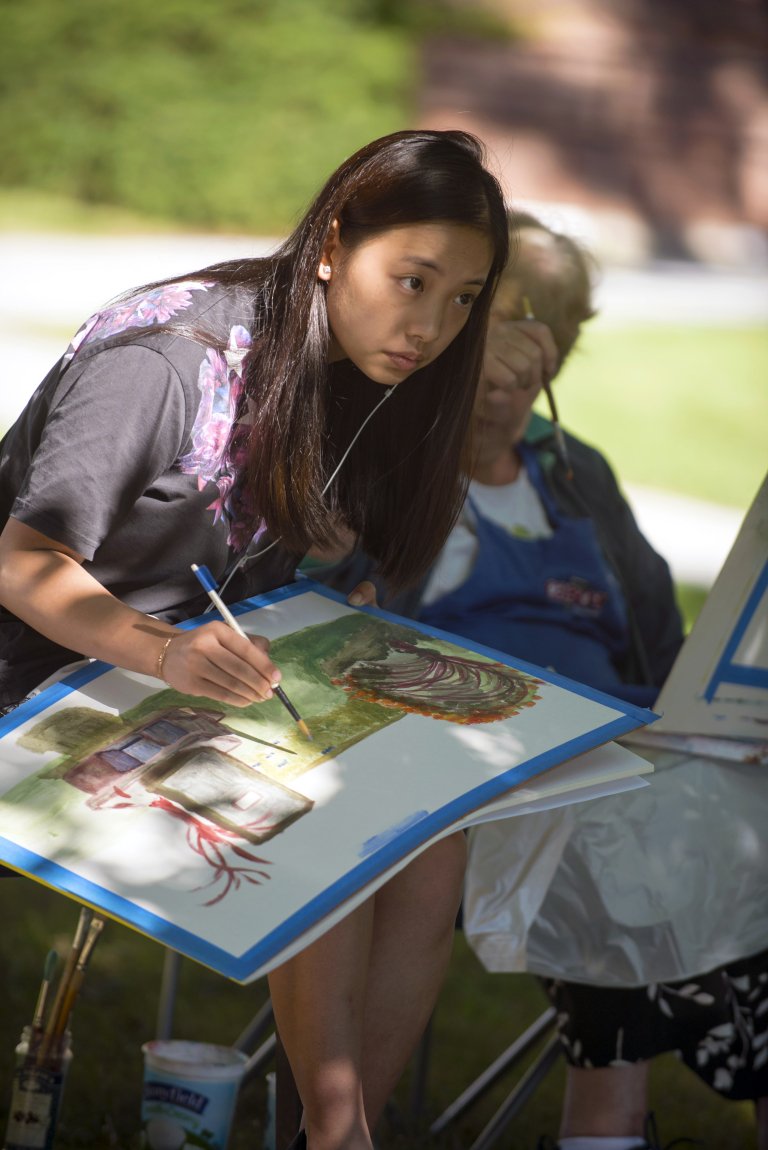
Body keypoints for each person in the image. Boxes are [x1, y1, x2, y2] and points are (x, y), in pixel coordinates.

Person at [0, 129, 511, 1150]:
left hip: (171, 679)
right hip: (42, 683)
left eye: (462, 299)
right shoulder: (166, 360)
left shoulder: (356, 367)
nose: (433, 326)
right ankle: (338, 1131)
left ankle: (344, 1121)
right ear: (330, 244)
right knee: (323, 806)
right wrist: (166, 652)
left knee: (430, 840)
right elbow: (20, 559)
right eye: (412, 281)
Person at [313, 212, 768, 1149]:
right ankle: (610, 1116)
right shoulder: (390, 460)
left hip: (623, 751)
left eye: (550, 324)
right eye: (503, 317)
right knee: (627, 832)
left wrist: (719, 712)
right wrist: (450, 435)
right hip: (465, 775)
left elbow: (659, 650)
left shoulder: (576, 475)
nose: (528, 347)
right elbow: (326, 622)